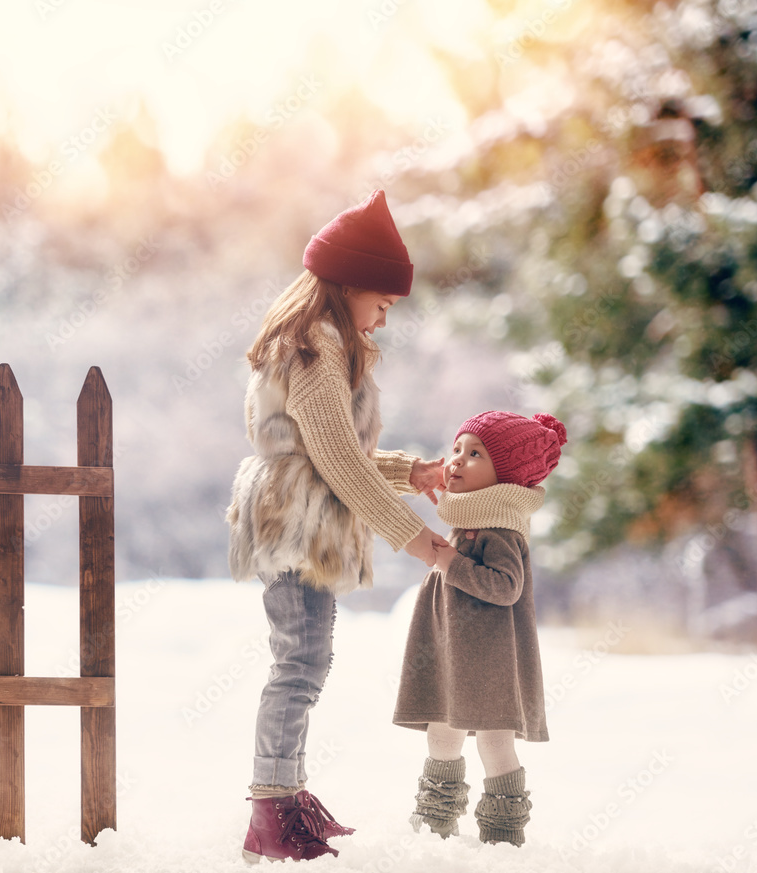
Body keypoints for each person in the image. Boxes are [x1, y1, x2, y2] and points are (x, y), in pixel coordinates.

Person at [227, 190, 448, 863]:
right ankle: (271, 805)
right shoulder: (315, 351)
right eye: (382, 300)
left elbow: (334, 450)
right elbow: (339, 467)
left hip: (301, 519)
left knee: (305, 660)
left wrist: (413, 472)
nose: (384, 316)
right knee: (299, 662)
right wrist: (421, 540)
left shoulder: (318, 344)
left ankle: (284, 798)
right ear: (349, 283)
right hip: (296, 524)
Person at [392, 409, 567, 847]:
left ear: (504, 477)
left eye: (474, 454)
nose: (456, 460)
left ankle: (504, 831)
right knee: (441, 731)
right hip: (452, 654)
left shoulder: (501, 530)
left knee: (494, 741)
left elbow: (505, 587)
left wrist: (450, 562)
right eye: (456, 448)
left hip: (489, 663)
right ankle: (435, 821)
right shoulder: (466, 522)